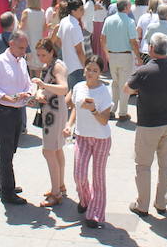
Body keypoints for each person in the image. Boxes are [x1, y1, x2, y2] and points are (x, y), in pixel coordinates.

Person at [125, 32, 167, 217]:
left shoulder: (144, 71)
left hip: (148, 123)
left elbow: (127, 88)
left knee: (143, 165)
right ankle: (161, 202)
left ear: (151, 48)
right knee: (164, 166)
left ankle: (143, 204)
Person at [64, 55, 113, 229]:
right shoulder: (78, 87)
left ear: (100, 73)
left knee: (98, 177)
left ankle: (96, 213)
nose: (90, 73)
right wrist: (69, 125)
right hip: (82, 136)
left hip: (101, 138)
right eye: (88, 69)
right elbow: (74, 109)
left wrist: (93, 109)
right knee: (79, 174)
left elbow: (104, 119)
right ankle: (85, 200)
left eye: (95, 70)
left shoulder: (105, 91)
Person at [0, 29, 33, 205]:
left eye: (25, 48)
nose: (24, 52)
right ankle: (7, 191)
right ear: (11, 44)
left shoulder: (21, 61)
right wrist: (10, 98)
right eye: (21, 48)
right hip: (3, 111)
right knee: (6, 152)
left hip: (17, 110)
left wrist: (28, 93)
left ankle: (3, 184)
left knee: (11, 149)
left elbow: (28, 82)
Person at [30, 38, 69, 207]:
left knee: (49, 151)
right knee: (57, 150)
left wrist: (43, 85)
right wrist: (40, 92)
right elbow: (44, 88)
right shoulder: (48, 66)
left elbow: (63, 88)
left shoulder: (57, 66)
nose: (40, 58)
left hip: (54, 113)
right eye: (38, 55)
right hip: (50, 112)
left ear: (51, 52)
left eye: (43, 55)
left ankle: (56, 192)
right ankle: (59, 185)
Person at [101, 0, 140, 121]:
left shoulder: (108, 20)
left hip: (112, 55)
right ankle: (122, 112)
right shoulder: (129, 22)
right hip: (125, 55)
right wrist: (138, 56)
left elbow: (102, 38)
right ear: (126, 7)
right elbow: (133, 42)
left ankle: (112, 109)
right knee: (124, 84)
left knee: (115, 83)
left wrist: (106, 52)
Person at [57, 0, 86, 89]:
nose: (83, 11)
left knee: (70, 94)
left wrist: (66, 50)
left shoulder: (64, 21)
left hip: (67, 64)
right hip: (76, 66)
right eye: (81, 9)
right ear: (73, 11)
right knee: (77, 97)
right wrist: (86, 66)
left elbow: (58, 40)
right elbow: (79, 51)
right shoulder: (74, 27)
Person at [19, 0, 46, 76]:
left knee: (30, 70)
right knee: (38, 68)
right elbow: (44, 28)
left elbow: (21, 28)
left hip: (29, 41)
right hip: (39, 40)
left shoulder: (26, 12)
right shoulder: (42, 12)